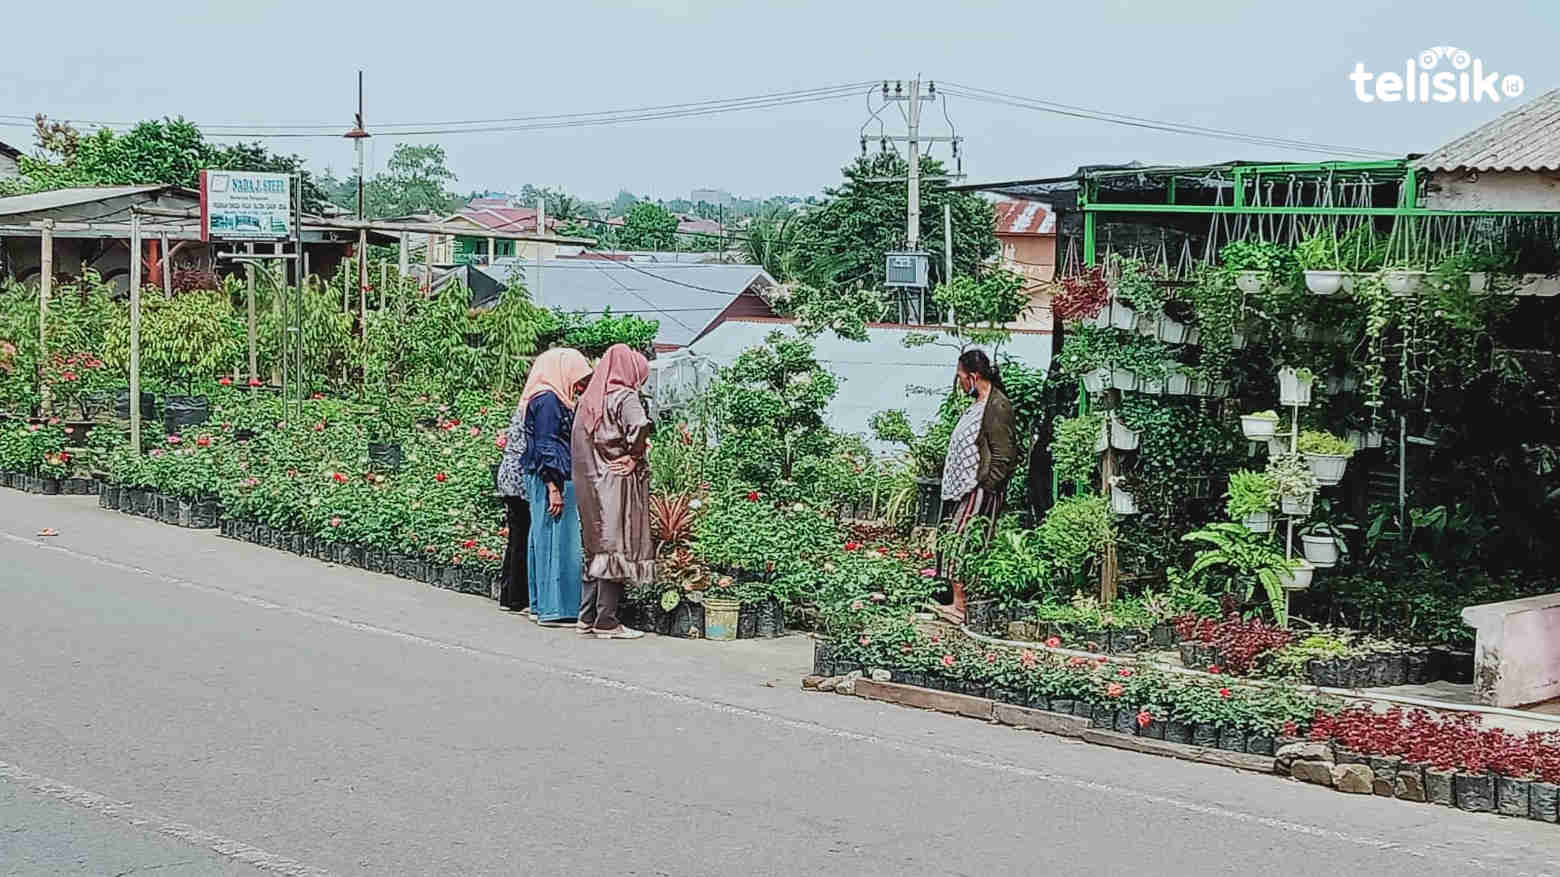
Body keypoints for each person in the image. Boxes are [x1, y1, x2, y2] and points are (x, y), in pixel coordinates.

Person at [572, 344, 655, 640]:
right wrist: (634, 456)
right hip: (615, 482)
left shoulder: (588, 401)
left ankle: (586, 617)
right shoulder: (625, 396)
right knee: (614, 547)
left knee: (595, 547)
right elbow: (640, 425)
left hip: (589, 484)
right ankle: (607, 621)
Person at [937, 348, 1018, 622]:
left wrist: (987, 485)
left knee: (962, 541)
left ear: (973, 376)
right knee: (956, 538)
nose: (959, 382)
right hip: (967, 487)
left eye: (960, 376)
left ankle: (961, 604)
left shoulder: (997, 406)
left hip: (980, 488)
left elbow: (1004, 453)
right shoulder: (979, 404)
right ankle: (958, 601)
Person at [516, 347, 593, 627]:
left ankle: (542, 605)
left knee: (543, 540)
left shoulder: (544, 397)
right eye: (579, 376)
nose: (581, 384)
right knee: (557, 543)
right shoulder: (548, 400)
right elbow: (546, 445)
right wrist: (553, 487)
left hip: (547, 477)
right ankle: (555, 609)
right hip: (553, 477)